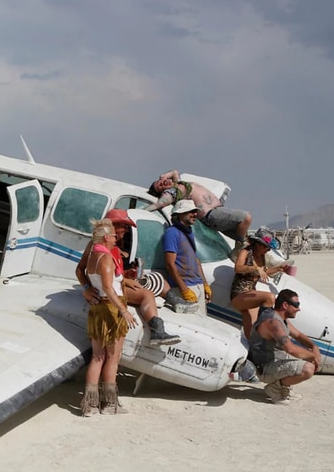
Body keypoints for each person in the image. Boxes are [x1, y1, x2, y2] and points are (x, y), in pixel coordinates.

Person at [76, 209, 180, 346]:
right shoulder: (98, 246)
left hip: (118, 282)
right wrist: (87, 288)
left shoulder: (114, 245)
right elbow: (80, 269)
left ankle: (176, 301)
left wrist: (127, 277)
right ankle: (157, 331)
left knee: (158, 279)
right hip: (107, 291)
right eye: (123, 226)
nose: (126, 229)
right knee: (146, 295)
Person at [78, 219, 138, 416]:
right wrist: (124, 310)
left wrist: (87, 288)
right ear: (106, 237)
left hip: (97, 309)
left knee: (97, 357)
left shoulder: (93, 254)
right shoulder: (105, 259)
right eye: (113, 236)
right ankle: (109, 405)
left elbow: (81, 271)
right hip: (111, 309)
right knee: (113, 357)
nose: (116, 239)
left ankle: (90, 406)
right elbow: (108, 287)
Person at [146, 169, 252, 259]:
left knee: (249, 242)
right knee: (246, 218)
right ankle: (238, 247)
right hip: (212, 215)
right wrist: (145, 210)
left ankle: (242, 248)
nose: (162, 183)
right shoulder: (174, 191)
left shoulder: (178, 182)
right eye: (160, 186)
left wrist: (163, 177)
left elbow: (174, 172)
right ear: (163, 192)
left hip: (219, 212)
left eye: (160, 181)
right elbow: (160, 203)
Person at [250, 289, 321, 405]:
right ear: (285, 305)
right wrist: (314, 356)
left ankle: (283, 386)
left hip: (275, 360)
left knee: (305, 355)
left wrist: (313, 346)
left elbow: (298, 335)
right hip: (265, 368)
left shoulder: (280, 318)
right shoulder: (273, 323)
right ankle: (275, 389)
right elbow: (291, 349)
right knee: (308, 369)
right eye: (296, 305)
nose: (299, 309)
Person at [230, 229, 288, 339]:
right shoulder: (245, 252)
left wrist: (279, 268)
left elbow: (263, 272)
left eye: (269, 248)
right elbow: (238, 268)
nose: (268, 250)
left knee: (252, 330)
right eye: (266, 247)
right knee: (269, 298)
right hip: (239, 294)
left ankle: (252, 348)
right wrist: (256, 268)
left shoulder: (262, 257)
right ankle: (270, 326)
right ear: (257, 244)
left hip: (251, 293)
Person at [162, 199, 210, 317]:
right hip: (185, 287)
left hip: (197, 286)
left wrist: (205, 284)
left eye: (195, 212)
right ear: (179, 214)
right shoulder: (172, 233)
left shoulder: (189, 233)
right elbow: (170, 264)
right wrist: (184, 289)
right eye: (190, 212)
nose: (195, 214)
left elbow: (196, 260)